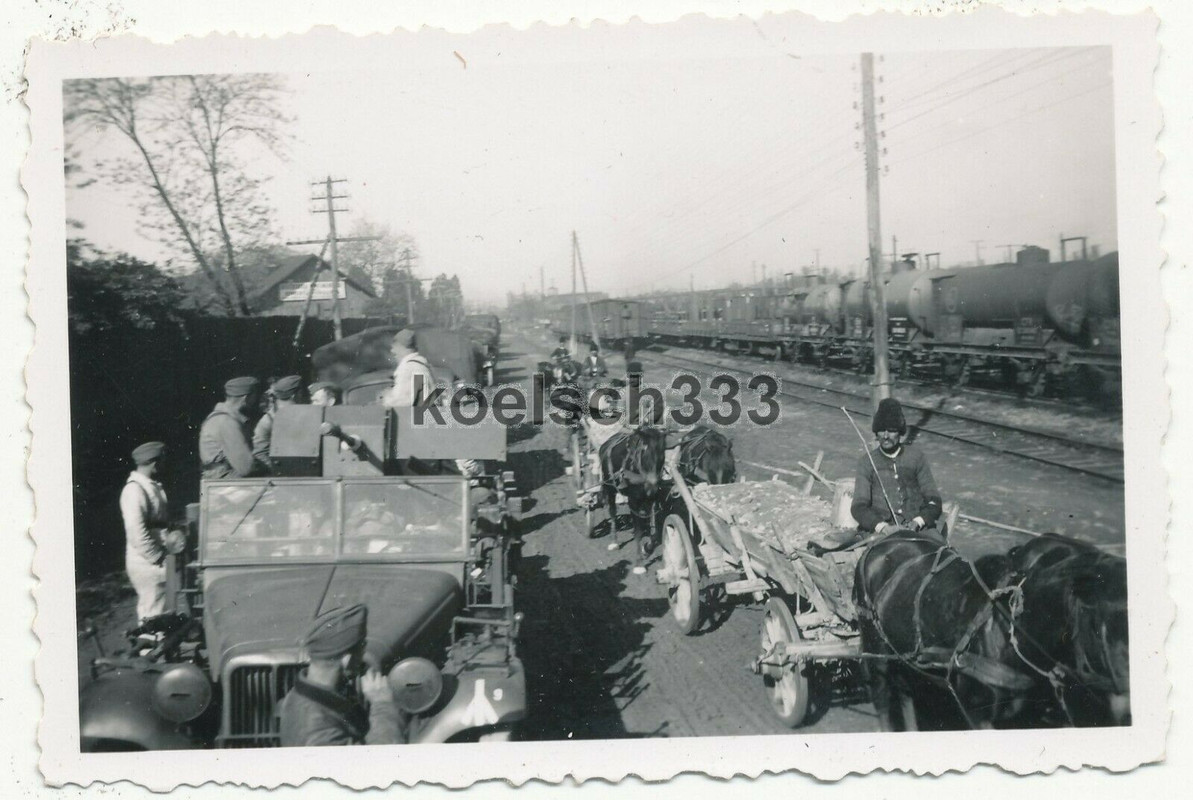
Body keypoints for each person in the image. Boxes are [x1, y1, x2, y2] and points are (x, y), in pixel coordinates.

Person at [278, 604, 405, 746]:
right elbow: (379, 762)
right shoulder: (320, 733)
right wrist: (383, 705)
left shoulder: (297, 696)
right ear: (347, 660)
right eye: (362, 649)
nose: (362, 657)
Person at [850, 397, 944, 538]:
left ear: (900, 432)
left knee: (940, 553)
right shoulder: (867, 462)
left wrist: (918, 522)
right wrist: (882, 527)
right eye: (881, 430)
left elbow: (933, 499)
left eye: (892, 430)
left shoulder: (916, 457)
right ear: (876, 433)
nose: (886, 436)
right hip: (880, 532)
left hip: (918, 530)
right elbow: (858, 507)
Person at [120, 441, 182, 622]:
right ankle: (148, 649)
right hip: (147, 562)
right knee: (153, 614)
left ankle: (163, 647)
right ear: (155, 463)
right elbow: (136, 533)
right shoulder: (134, 491)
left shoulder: (149, 486)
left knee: (165, 611)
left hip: (160, 559)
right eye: (162, 461)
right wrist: (157, 558)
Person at [199, 376, 265, 479]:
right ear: (246, 398)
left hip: (225, 484)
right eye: (255, 396)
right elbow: (246, 467)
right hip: (226, 486)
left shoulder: (226, 418)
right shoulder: (226, 422)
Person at [253, 375, 304, 470]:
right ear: (295, 395)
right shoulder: (268, 421)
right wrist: (279, 470)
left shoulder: (302, 414)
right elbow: (260, 454)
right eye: (301, 393)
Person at [383, 329, 436, 409]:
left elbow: (420, 400)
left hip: (411, 418)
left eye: (395, 347)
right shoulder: (418, 365)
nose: (392, 351)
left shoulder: (413, 367)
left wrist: (388, 400)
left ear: (403, 347)